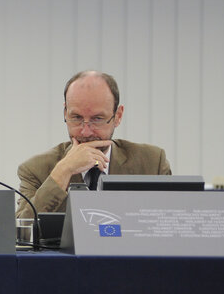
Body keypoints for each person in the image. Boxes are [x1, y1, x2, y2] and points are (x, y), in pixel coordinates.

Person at [16, 70, 171, 218]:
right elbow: (22, 231)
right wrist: (63, 170)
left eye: (97, 119)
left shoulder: (151, 163)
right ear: (65, 113)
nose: (86, 132)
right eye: (76, 117)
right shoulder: (35, 169)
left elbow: (174, 225)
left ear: (117, 116)